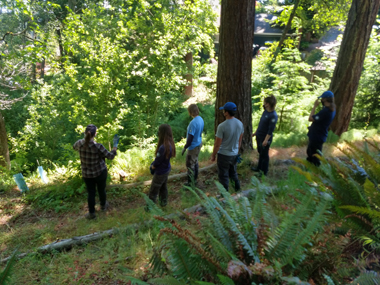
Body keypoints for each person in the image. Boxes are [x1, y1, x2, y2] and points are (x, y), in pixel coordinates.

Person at [73, 124, 118, 219]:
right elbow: (110, 156)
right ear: (95, 134)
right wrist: (114, 148)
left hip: (86, 174)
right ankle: (103, 206)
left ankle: (92, 213)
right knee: (101, 190)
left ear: (85, 133)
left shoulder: (79, 143)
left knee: (91, 193)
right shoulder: (98, 146)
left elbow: (74, 147)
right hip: (100, 172)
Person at [210, 102, 244, 192]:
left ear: (227, 113)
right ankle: (238, 191)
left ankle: (224, 196)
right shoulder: (240, 124)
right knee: (233, 173)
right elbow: (239, 141)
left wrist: (213, 155)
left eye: (224, 110)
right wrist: (236, 152)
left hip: (223, 155)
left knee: (223, 176)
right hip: (234, 154)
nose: (223, 112)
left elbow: (217, 144)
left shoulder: (222, 126)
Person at [148, 124, 176, 208]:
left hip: (160, 172)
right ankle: (163, 204)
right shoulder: (169, 144)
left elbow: (158, 160)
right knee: (163, 188)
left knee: (153, 190)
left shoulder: (163, 147)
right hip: (166, 169)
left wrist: (153, 166)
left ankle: (150, 207)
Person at [307, 90, 336, 166]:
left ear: (325, 99)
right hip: (319, 135)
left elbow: (310, 118)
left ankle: (315, 173)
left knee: (314, 156)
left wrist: (314, 106)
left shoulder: (326, 111)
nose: (321, 100)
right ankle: (310, 171)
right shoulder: (331, 109)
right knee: (311, 153)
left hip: (317, 136)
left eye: (322, 98)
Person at [251, 95, 278, 176]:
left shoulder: (273, 115)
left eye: (265, 102)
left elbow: (270, 130)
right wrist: (256, 132)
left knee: (264, 155)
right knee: (260, 152)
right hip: (259, 135)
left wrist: (266, 140)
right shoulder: (265, 111)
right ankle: (259, 168)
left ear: (268, 104)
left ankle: (263, 172)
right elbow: (261, 124)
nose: (264, 104)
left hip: (265, 138)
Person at [182, 104, 204, 187]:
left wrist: (185, 147)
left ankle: (191, 183)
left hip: (193, 146)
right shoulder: (201, 119)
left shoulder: (193, 123)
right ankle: (194, 180)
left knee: (190, 164)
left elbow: (190, 137)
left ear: (190, 112)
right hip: (199, 143)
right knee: (195, 162)